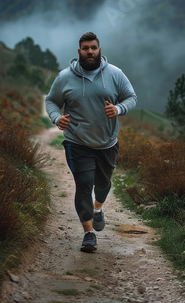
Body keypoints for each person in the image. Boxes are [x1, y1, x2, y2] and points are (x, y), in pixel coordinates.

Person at [45, 31, 138, 252]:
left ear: (99, 50)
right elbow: (51, 101)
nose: (90, 52)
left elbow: (131, 97)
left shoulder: (115, 74)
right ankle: (88, 234)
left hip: (107, 143)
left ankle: (98, 209)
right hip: (77, 142)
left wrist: (118, 109)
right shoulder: (65, 77)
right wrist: (57, 118)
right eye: (85, 48)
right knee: (84, 185)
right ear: (79, 52)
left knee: (103, 185)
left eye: (93, 48)